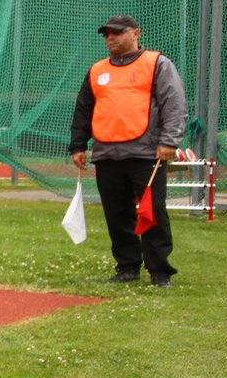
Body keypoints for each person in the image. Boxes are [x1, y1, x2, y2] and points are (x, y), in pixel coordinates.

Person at [69, 14, 187, 288]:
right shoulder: (96, 70)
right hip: (106, 155)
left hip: (146, 154)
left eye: (117, 32)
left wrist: (169, 141)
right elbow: (84, 110)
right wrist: (78, 145)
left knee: (152, 213)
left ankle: (159, 271)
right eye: (107, 34)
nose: (110, 38)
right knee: (117, 214)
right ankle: (127, 267)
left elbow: (174, 104)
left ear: (136, 33)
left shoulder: (157, 64)